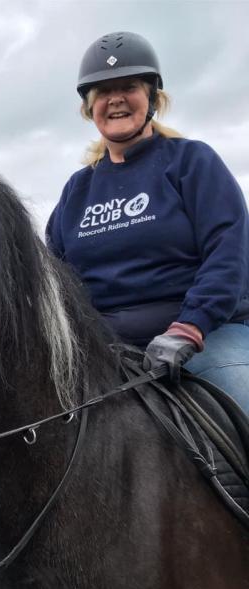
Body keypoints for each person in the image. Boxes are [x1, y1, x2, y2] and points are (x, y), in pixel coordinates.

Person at [45, 31, 249, 414]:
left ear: (153, 97)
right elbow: (54, 282)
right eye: (103, 91)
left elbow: (229, 251)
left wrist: (189, 328)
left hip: (205, 336)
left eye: (129, 86)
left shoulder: (191, 163)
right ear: (90, 108)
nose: (116, 98)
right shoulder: (77, 191)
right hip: (105, 349)